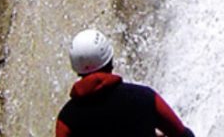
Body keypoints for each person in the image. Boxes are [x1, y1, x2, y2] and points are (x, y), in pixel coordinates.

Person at [56, 28, 195, 137]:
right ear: (110, 62)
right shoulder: (145, 97)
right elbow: (182, 134)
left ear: (76, 69)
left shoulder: (66, 119)